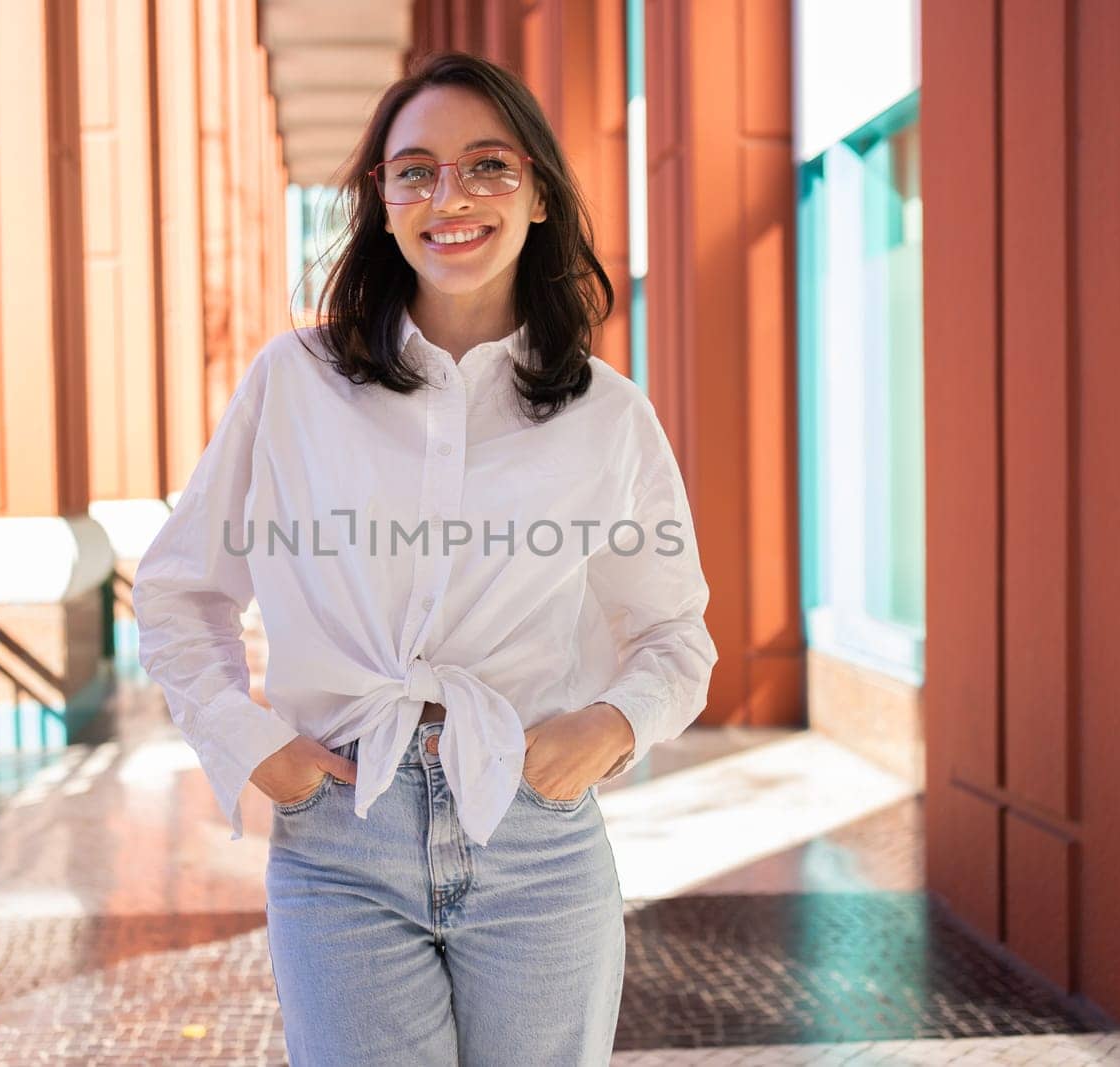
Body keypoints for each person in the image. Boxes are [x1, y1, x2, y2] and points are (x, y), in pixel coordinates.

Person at [132, 50, 718, 1067]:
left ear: (537, 193)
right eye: (416, 170)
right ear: (383, 201)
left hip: (534, 833)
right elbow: (181, 589)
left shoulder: (607, 414)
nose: (450, 196)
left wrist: (611, 725)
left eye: (488, 165)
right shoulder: (295, 383)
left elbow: (674, 633)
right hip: (340, 835)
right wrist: (248, 740)